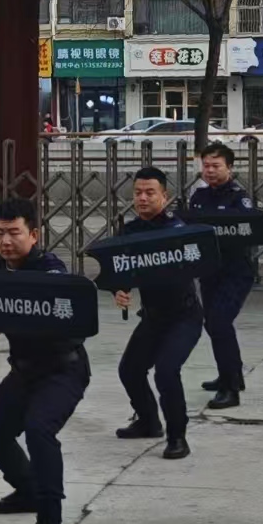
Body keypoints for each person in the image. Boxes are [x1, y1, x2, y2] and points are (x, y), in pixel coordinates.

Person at [0, 198, 84, 524]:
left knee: (38, 430)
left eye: (14, 233)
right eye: (0, 232)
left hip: (62, 369)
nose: (6, 241)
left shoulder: (51, 272)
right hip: (23, 370)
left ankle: (51, 523)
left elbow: (69, 318)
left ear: (34, 234)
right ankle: (28, 489)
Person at [109, 166, 201, 460]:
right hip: (153, 316)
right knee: (130, 370)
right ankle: (148, 421)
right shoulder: (130, 231)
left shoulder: (177, 229)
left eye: (150, 193)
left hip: (184, 316)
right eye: (138, 193)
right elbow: (120, 268)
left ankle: (178, 437)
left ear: (165, 195)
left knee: (166, 371)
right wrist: (120, 290)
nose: (143, 198)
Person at [185, 142, 258, 410]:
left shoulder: (239, 198)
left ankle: (231, 389)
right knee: (213, 324)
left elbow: (250, 231)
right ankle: (230, 373)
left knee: (219, 322)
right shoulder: (199, 196)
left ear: (230, 168)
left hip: (236, 272)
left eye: (216, 166)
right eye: (206, 166)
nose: (210, 171)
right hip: (209, 271)